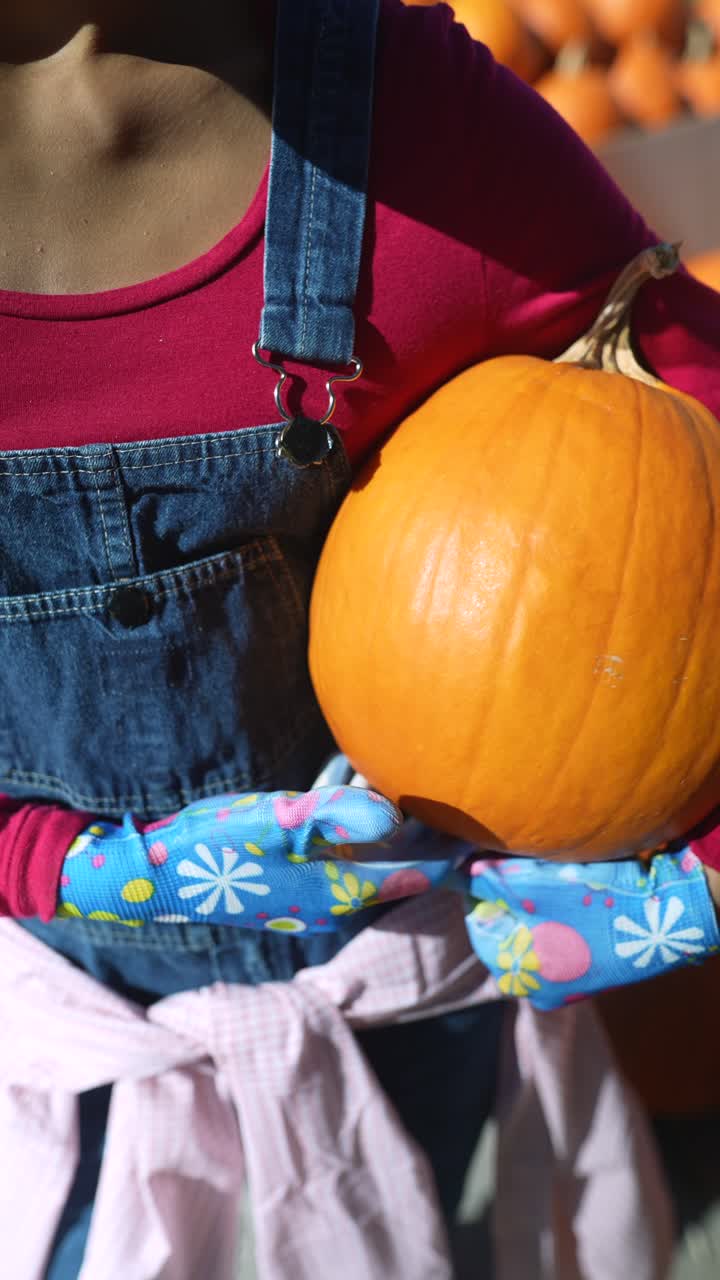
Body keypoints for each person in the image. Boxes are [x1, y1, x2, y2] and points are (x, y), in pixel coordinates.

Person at [0, 0, 719, 1276]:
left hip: (392, 1023)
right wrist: (40, 863)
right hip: (43, 1048)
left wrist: (704, 866)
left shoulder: (425, 127)